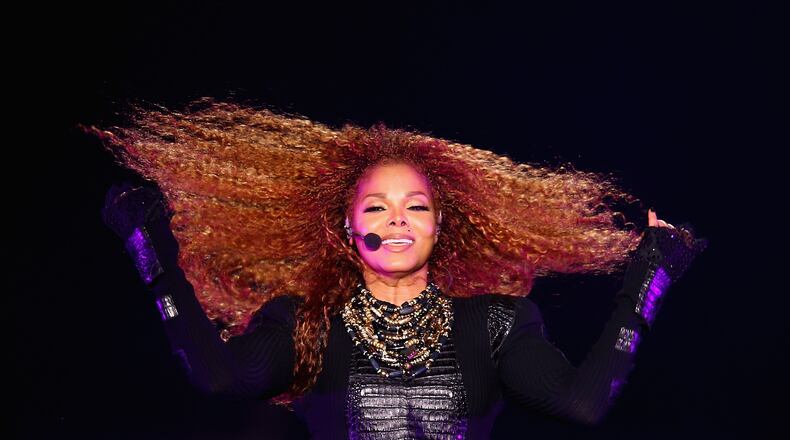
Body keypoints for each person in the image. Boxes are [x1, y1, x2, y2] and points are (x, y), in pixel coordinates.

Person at [84, 97, 708, 439]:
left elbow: (582, 405)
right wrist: (151, 247)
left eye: (417, 205)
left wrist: (648, 278)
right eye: (377, 206)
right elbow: (218, 376)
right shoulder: (308, 325)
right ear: (348, 228)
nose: (400, 218)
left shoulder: (497, 326)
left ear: (441, 226)